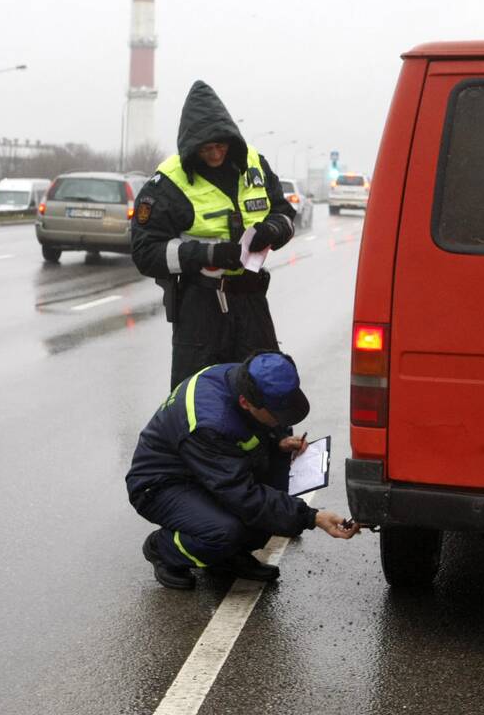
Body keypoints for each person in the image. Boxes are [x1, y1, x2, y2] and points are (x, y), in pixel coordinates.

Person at [125, 351, 359, 590]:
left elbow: (246, 435)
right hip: (160, 485)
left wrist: (277, 440)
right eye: (276, 415)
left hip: (208, 471)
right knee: (226, 531)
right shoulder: (210, 422)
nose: (282, 421)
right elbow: (243, 496)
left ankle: (226, 558)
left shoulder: (247, 377)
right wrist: (312, 517)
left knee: (270, 516)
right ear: (246, 403)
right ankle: (164, 548)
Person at [131, 80, 298, 391]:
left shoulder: (254, 164)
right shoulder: (168, 182)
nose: (215, 154)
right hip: (201, 307)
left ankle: (271, 443)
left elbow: (285, 214)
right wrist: (207, 255)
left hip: (251, 301)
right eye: (206, 149)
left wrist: (273, 229)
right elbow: (145, 251)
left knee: (265, 391)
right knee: (198, 397)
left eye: (221, 146)